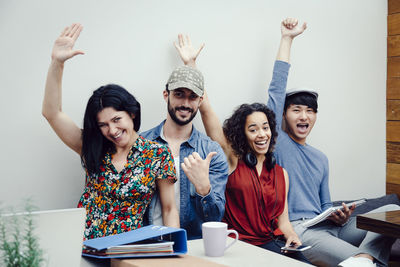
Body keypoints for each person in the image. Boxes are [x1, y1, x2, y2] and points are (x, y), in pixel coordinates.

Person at [267, 19, 399, 267]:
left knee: (393, 209)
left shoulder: (320, 158)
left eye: (309, 111)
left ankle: (364, 258)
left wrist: (339, 216)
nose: (304, 116)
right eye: (296, 110)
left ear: (315, 116)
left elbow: (325, 205)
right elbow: (275, 91)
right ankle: (366, 260)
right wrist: (287, 39)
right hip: (301, 230)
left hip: (331, 227)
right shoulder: (279, 142)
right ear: (284, 115)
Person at [42, 23, 179, 240]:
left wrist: (174, 251)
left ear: (131, 114)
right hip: (82, 246)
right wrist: (57, 63)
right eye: (103, 125)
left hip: (126, 251)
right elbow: (52, 113)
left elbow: (169, 209)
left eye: (117, 120)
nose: (112, 130)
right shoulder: (91, 146)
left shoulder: (158, 154)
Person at [196, 19, 308, 263]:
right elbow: (207, 114)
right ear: (242, 135)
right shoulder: (233, 160)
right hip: (236, 245)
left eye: (265, 128)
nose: (262, 134)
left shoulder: (281, 174)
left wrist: (292, 237)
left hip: (271, 244)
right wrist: (191, 66)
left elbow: (284, 221)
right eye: (253, 129)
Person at [141, 34, 229, 240]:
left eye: (192, 97)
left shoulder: (211, 152)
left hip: (191, 247)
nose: (185, 103)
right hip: (144, 245)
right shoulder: (141, 144)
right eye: (179, 94)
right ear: (166, 95)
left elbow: (215, 219)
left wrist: (203, 187)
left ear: (200, 101)